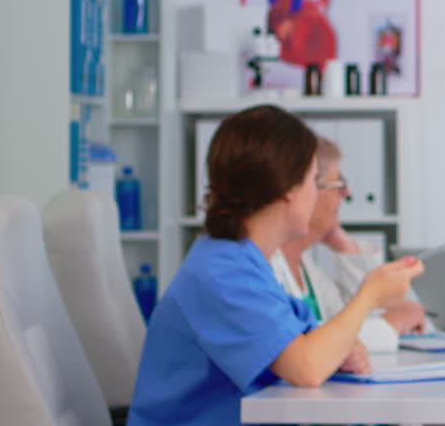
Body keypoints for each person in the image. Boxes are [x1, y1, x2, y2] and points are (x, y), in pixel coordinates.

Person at [128, 105, 424, 425]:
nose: (317, 193)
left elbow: (309, 345)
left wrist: (340, 353)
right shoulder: (221, 271)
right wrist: (370, 295)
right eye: (313, 180)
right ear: (286, 188)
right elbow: (307, 367)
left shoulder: (245, 262)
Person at [270, 135, 427, 353]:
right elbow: (308, 348)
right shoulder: (264, 264)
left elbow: (349, 323)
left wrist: (346, 247)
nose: (347, 194)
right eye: (339, 184)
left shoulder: (307, 269)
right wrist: (388, 325)